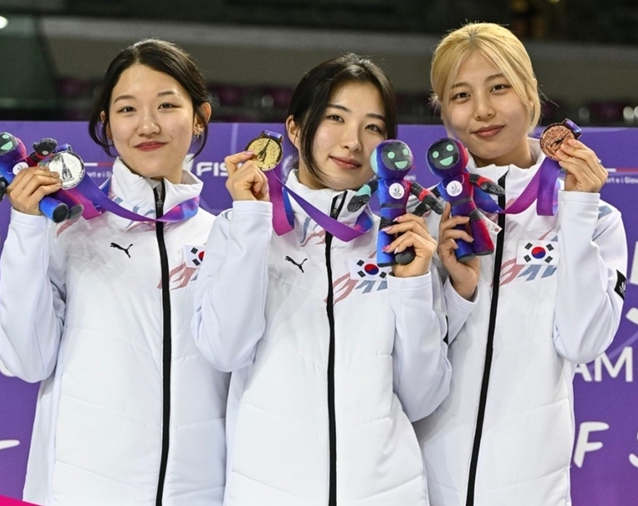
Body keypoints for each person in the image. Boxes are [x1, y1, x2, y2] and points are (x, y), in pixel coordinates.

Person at [191, 53, 456, 506]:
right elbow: (224, 348)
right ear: (295, 129)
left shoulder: (401, 240)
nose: (353, 141)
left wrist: (412, 286)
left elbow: (421, 397)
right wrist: (252, 221)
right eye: (336, 118)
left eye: (373, 127)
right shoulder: (244, 228)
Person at [0, 39, 229, 505]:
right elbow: (25, 359)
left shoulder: (226, 240)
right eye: (126, 109)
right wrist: (26, 226)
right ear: (105, 123)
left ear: (200, 116)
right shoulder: (70, 232)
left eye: (166, 105)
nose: (147, 125)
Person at [412, 22, 628, 506]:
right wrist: (455, 291)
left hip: (532, 489)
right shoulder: (426, 218)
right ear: (443, 112)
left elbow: (582, 341)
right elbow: (411, 363)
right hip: (421, 484)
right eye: (461, 95)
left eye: (499, 87)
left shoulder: (596, 220)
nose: (482, 110)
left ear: (531, 94)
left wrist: (577, 214)